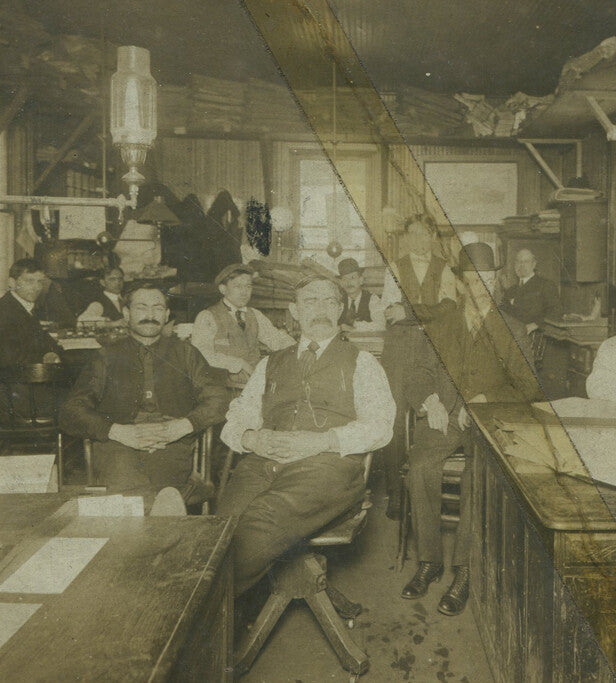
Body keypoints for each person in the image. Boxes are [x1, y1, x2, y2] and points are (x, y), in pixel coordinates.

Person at [217, 275, 395, 595]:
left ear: (340, 310)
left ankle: (198, 613)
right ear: (294, 311)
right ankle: (214, 612)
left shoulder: (363, 362)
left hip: (327, 467)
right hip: (263, 462)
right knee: (220, 529)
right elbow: (238, 417)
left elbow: (381, 426)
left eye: (329, 302)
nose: (320, 310)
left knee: (259, 522)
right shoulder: (270, 363)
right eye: (310, 302)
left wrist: (323, 440)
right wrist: (250, 439)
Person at [402, 242, 537, 616]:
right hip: (441, 417)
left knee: (476, 477)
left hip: (488, 422)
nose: (480, 286)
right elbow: (416, 374)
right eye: (472, 279)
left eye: (488, 278)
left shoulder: (511, 328)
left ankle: (464, 569)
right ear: (461, 283)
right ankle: (429, 562)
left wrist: (481, 400)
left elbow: (527, 386)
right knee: (421, 469)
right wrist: (430, 401)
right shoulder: (441, 324)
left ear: (497, 281)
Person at [60, 283, 229, 507]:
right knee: (130, 477)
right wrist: (117, 431)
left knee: (152, 482)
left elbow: (219, 399)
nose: (150, 315)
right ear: (127, 313)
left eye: (158, 308)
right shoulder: (107, 356)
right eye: (141, 308)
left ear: (167, 314)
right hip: (118, 442)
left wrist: (181, 427)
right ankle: (166, 508)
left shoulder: (186, 353)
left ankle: (157, 511)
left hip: (170, 442)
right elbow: (71, 410)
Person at [378, 214, 457, 518]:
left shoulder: (445, 268)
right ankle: (397, 493)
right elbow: (390, 313)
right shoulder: (395, 268)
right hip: (400, 350)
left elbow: (448, 309)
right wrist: (424, 313)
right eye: (411, 234)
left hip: (434, 350)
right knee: (396, 419)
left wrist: (409, 311)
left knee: (435, 412)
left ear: (433, 236)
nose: (416, 240)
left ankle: (426, 488)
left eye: (423, 234)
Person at [190, 264, 295, 385]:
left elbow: (277, 339)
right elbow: (201, 354)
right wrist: (239, 363)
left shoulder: (255, 315)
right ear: (223, 289)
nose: (244, 292)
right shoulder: (207, 317)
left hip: (253, 385)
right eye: (238, 286)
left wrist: (296, 349)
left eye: (248, 286)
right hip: (221, 387)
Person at [0, 258, 62, 367]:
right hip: (12, 379)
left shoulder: (23, 307)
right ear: (12, 283)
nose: (36, 287)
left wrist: (51, 353)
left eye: (40, 282)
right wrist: (47, 356)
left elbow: (47, 342)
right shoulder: (3, 312)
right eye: (29, 281)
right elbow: (12, 360)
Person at [499, 248, 561, 334]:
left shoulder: (545, 285)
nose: (521, 265)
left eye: (526, 262)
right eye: (518, 261)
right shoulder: (511, 290)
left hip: (537, 337)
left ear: (534, 264)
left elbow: (556, 311)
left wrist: (535, 325)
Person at [337, 257, 384, 332]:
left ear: (361, 280)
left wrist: (354, 328)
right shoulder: (338, 301)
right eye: (344, 279)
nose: (348, 283)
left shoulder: (373, 299)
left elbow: (381, 325)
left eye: (352, 278)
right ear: (341, 283)